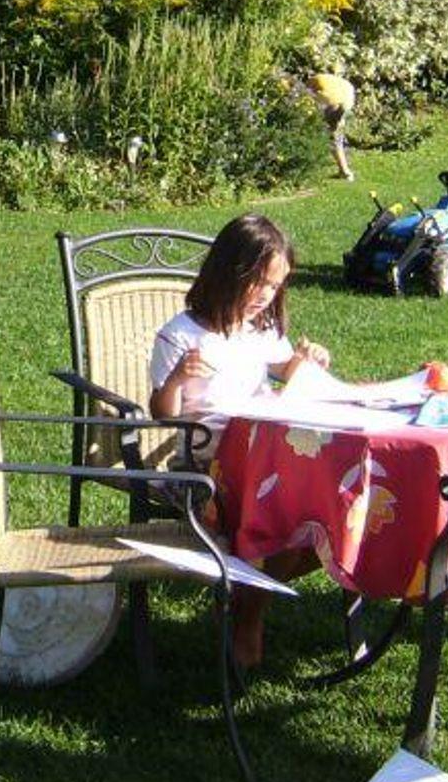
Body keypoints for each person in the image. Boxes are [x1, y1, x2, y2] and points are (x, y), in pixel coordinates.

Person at [148, 213, 329, 670]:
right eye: (259, 283)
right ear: (230, 272)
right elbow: (162, 414)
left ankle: (247, 602)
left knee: (324, 512)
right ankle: (248, 615)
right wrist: (176, 379)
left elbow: (286, 370)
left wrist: (305, 360)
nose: (266, 295)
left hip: (268, 456)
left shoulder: (259, 331)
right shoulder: (181, 335)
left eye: (275, 286)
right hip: (208, 470)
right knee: (292, 509)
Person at [307, 72, 355, 181]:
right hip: (346, 98)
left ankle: (343, 171)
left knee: (330, 136)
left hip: (329, 98)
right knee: (335, 136)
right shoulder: (334, 82)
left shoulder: (312, 82)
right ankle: (345, 171)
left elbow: (307, 100)